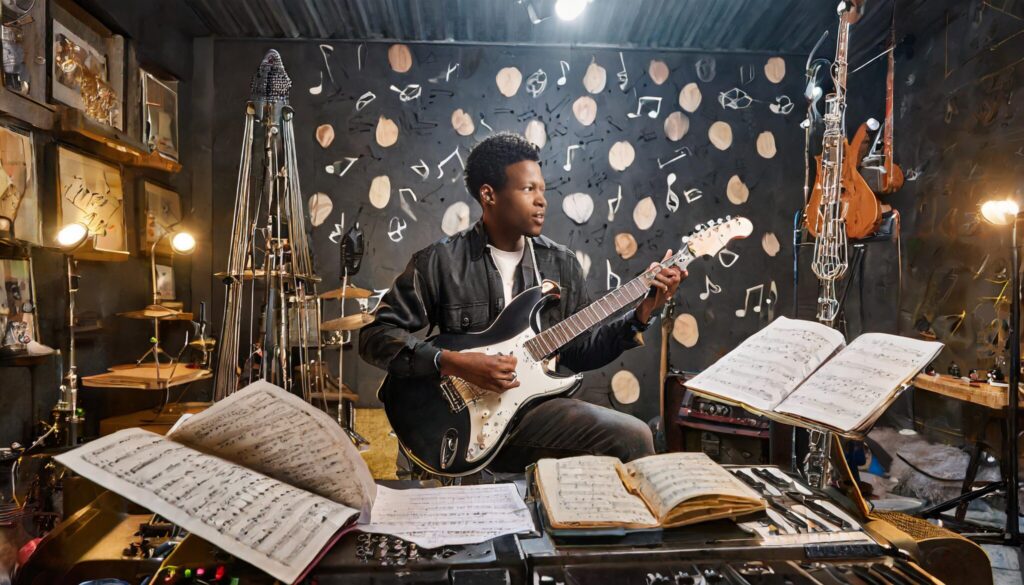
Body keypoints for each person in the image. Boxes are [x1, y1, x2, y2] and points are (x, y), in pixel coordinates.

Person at [359, 132, 684, 473]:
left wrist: (642, 313)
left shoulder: (561, 263)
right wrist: (452, 362)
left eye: (542, 189)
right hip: (464, 422)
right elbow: (375, 336)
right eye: (529, 189)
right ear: (489, 195)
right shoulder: (440, 261)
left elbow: (579, 351)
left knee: (633, 435)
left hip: (533, 414)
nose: (542, 200)